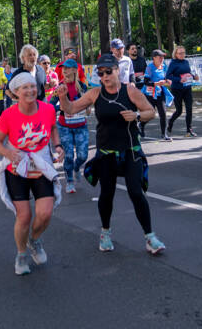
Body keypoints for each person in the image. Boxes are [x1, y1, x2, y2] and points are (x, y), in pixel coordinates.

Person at [56, 54, 165, 256]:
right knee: (107, 194)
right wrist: (63, 97)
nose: (105, 76)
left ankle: (150, 237)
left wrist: (137, 116)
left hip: (130, 151)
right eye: (101, 73)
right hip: (106, 154)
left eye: (108, 71)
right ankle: (105, 233)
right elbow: (71, 109)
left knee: (136, 192)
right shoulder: (95, 94)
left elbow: (151, 111)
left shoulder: (130, 91)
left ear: (117, 70)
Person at [0, 71, 63, 275]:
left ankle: (34, 240)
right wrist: (8, 152)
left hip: (41, 165)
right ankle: (21, 254)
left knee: (45, 213)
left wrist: (57, 146)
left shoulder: (48, 109)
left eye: (32, 86)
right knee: (24, 216)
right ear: (16, 92)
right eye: (25, 88)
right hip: (17, 168)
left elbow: (53, 128)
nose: (31, 90)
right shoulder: (8, 115)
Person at [54, 59, 89, 193]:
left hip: (81, 125)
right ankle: (69, 181)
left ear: (75, 70)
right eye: (64, 68)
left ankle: (76, 167)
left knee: (82, 155)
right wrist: (59, 107)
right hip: (65, 126)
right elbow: (52, 104)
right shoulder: (60, 88)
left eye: (68, 68)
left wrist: (87, 109)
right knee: (68, 155)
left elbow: (88, 104)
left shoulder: (82, 86)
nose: (65, 71)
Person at [166, 45, 196, 137]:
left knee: (189, 109)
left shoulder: (186, 62)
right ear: (175, 54)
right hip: (177, 89)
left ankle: (189, 130)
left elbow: (188, 74)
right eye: (180, 53)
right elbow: (168, 76)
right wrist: (179, 79)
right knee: (179, 111)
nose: (182, 55)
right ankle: (170, 122)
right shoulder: (173, 63)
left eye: (183, 53)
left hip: (187, 88)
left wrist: (194, 77)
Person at [141, 50, 171, 140]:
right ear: (154, 58)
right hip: (150, 93)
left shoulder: (164, 66)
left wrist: (167, 81)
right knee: (151, 114)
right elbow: (146, 81)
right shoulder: (150, 67)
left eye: (163, 57)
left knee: (163, 113)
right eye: (160, 57)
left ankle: (164, 134)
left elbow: (165, 78)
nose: (162, 58)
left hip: (160, 93)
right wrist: (156, 83)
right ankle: (141, 125)